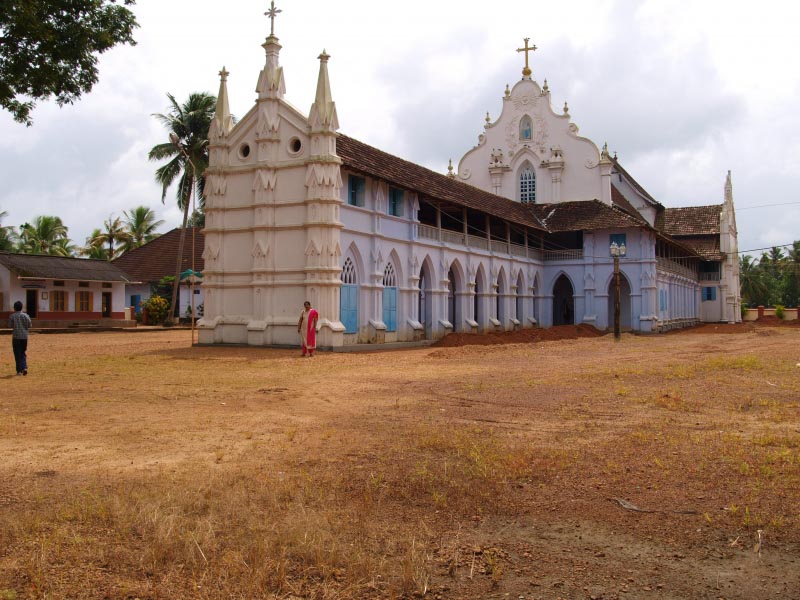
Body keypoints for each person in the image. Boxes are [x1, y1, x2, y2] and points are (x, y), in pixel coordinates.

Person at [9, 300, 31, 376]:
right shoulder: (26, 316)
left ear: (14, 308)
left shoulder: (12, 316)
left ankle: (19, 371)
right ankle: (24, 367)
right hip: (24, 337)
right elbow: (30, 325)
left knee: (17, 353)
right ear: (21, 307)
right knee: (23, 352)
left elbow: (10, 325)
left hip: (16, 337)